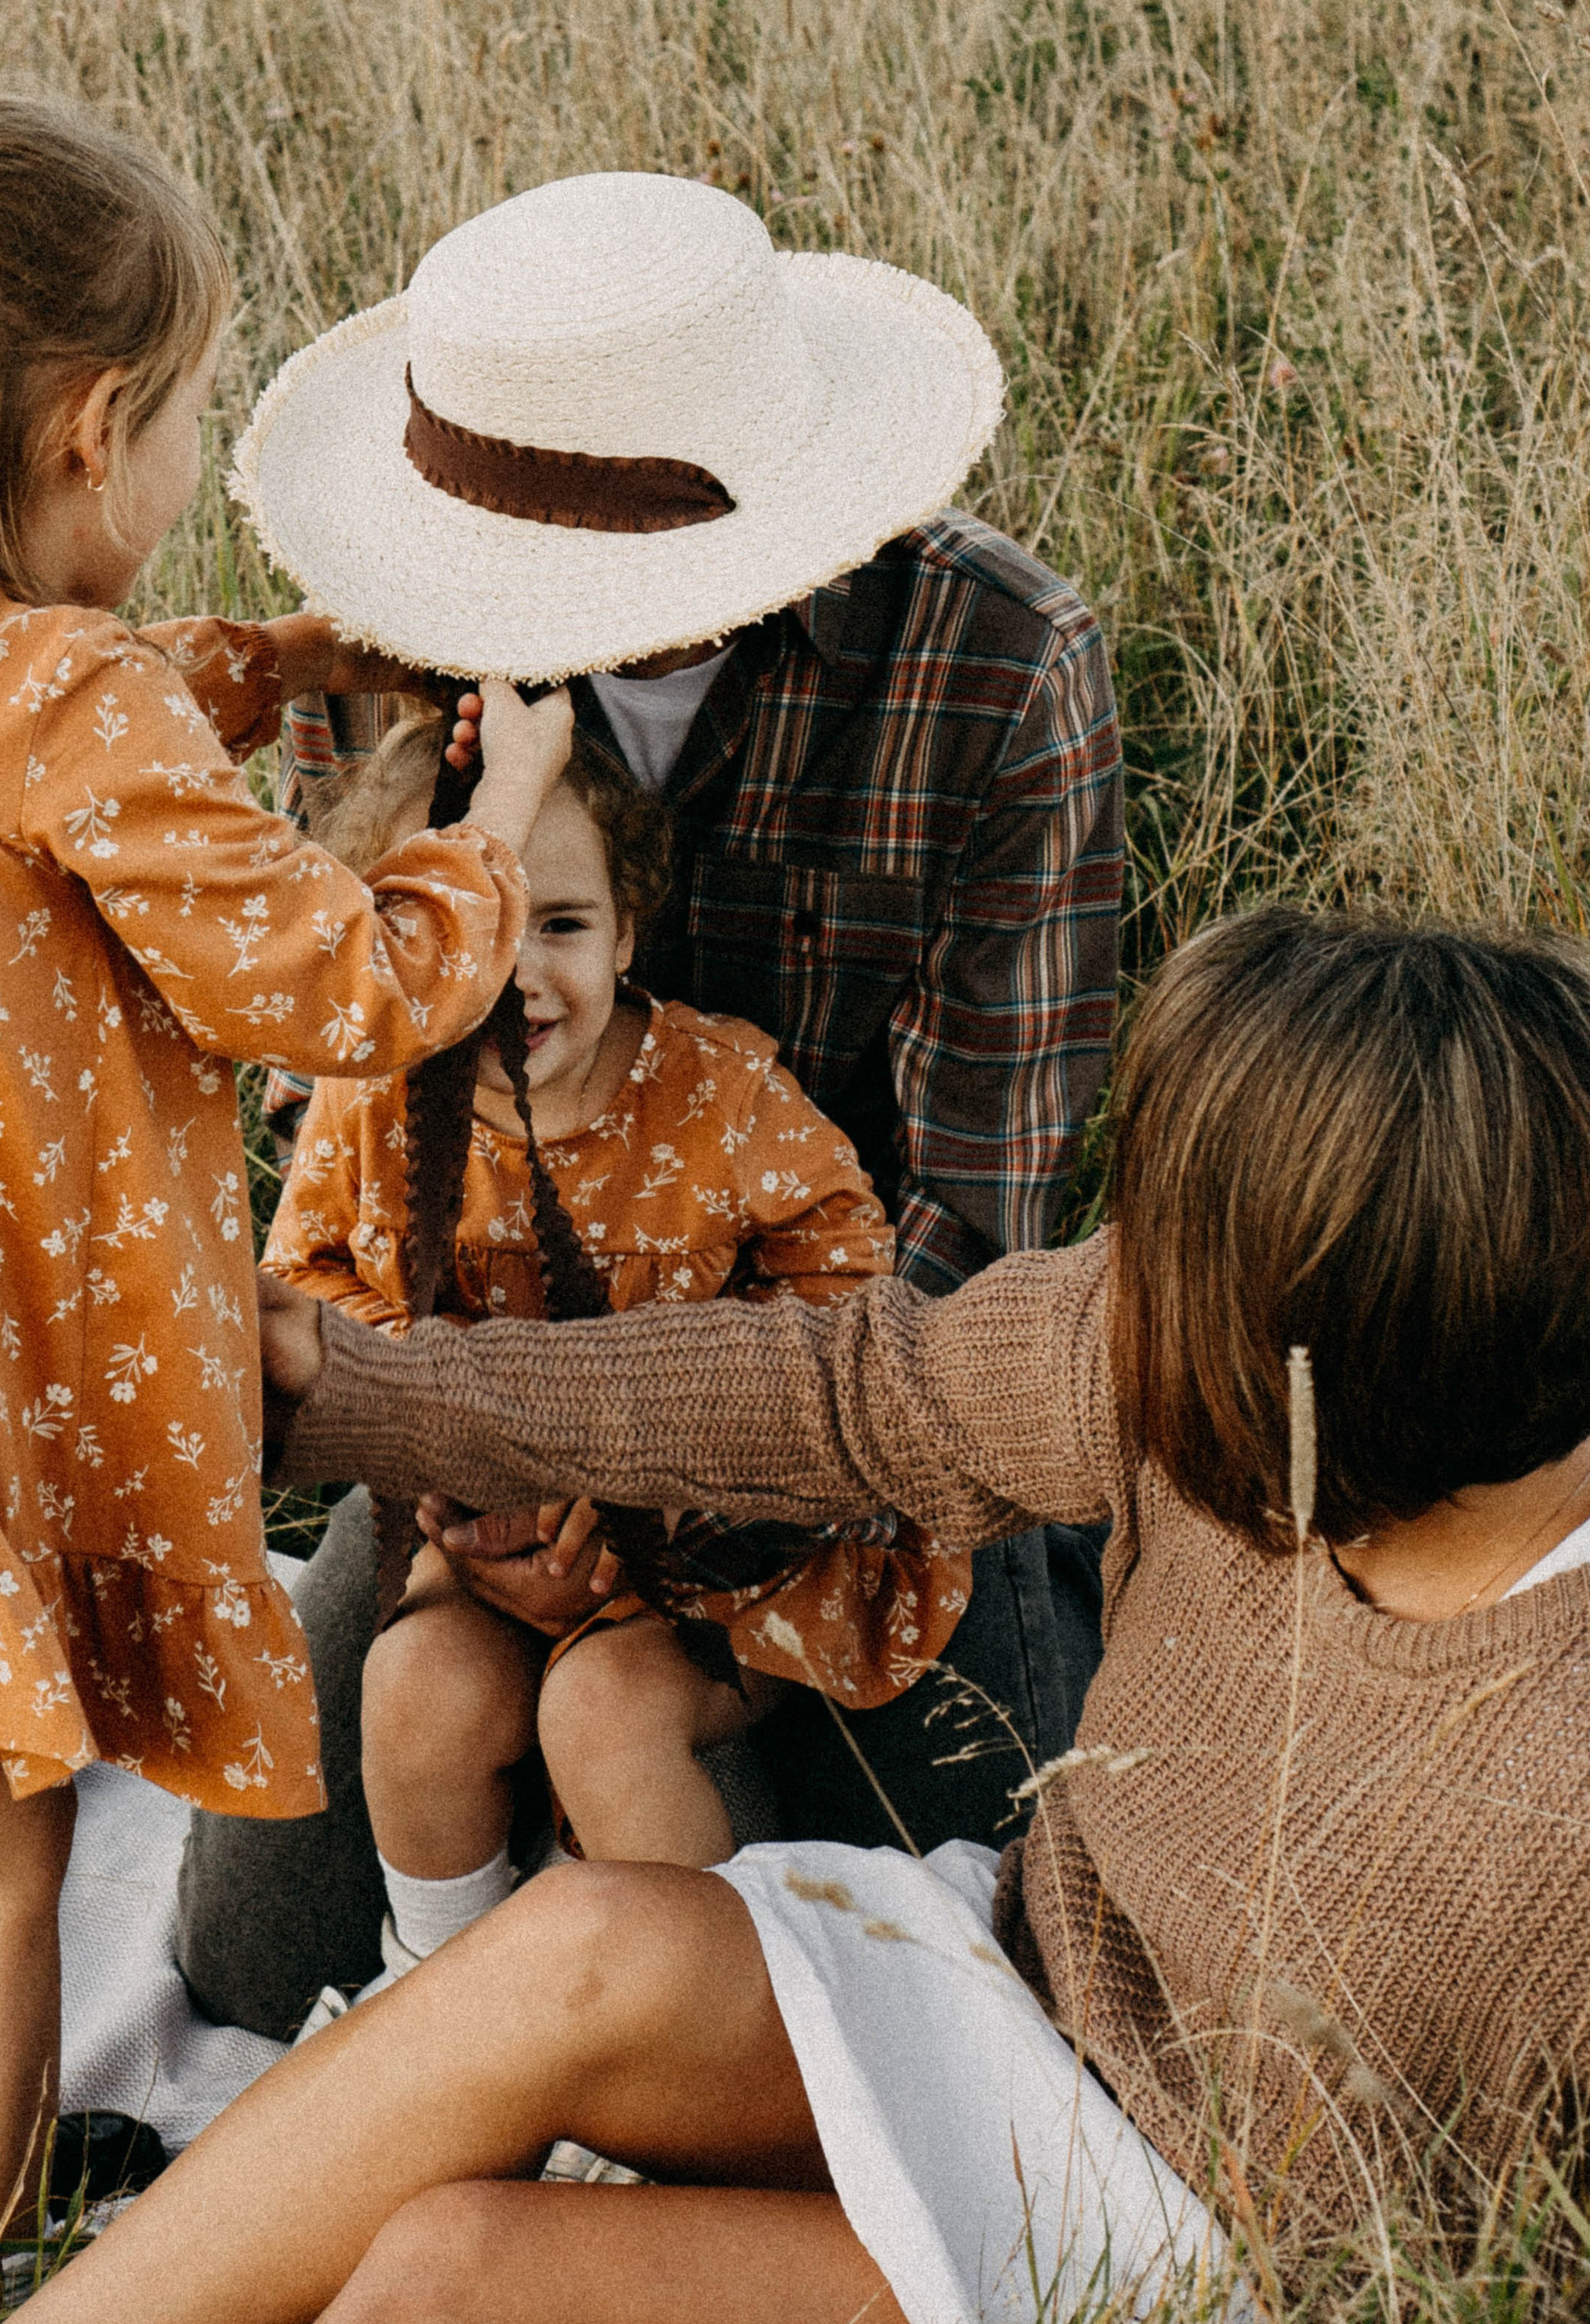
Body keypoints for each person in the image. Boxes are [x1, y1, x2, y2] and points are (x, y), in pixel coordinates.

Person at [0, 908, 1590, 2324]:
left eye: (1173, 1269)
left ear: (1346, 1348)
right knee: (574, 1946)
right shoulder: (1199, 1340)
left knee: (462, 2289)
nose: (1120, 1295)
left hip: (1205, 2279)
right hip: (1030, 2001)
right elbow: (845, 1391)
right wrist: (366, 1386)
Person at [0, 94, 570, 2302]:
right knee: (9, 1857)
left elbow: (94, 717)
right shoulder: (61, 699)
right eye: (184, 424)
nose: (179, 472)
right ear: (86, 430)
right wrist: (494, 818)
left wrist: (277, 662)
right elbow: (343, 985)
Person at [177, 166, 1123, 2034]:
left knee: (1017, 1951)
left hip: (854, 1453)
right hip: (463, 1408)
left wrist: (645, 1495)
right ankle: (515, 1964)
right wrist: (443, 1459)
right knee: (244, 1955)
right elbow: (341, 1146)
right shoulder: (383, 651)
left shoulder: (998, 665)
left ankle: (672, 1943)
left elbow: (958, 1237)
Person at [269, 715, 971, 1969]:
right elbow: (306, 1281)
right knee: (413, 1692)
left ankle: (685, 2037)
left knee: (603, 1712)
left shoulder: (716, 1096)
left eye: (562, 925)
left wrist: (647, 1465)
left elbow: (850, 1286)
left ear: (629, 931)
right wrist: (455, 1461)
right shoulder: (370, 1099)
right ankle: (446, 1994)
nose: (515, 974)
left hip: (708, 1533)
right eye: (463, 933)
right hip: (485, 1511)